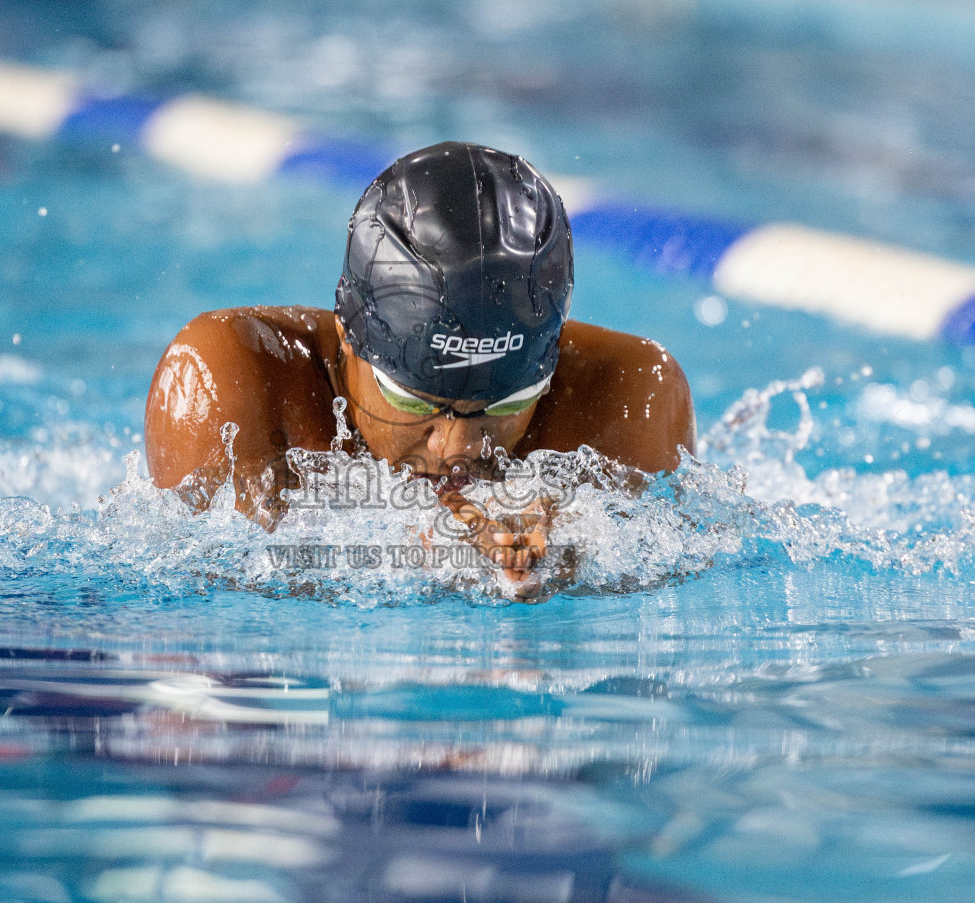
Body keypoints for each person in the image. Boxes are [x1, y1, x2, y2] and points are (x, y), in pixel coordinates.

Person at [145, 141, 696, 597]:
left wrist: (573, 554)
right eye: (416, 402)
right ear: (348, 334)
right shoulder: (232, 375)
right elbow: (213, 597)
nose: (457, 447)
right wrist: (414, 549)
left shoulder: (629, 396)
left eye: (504, 405)